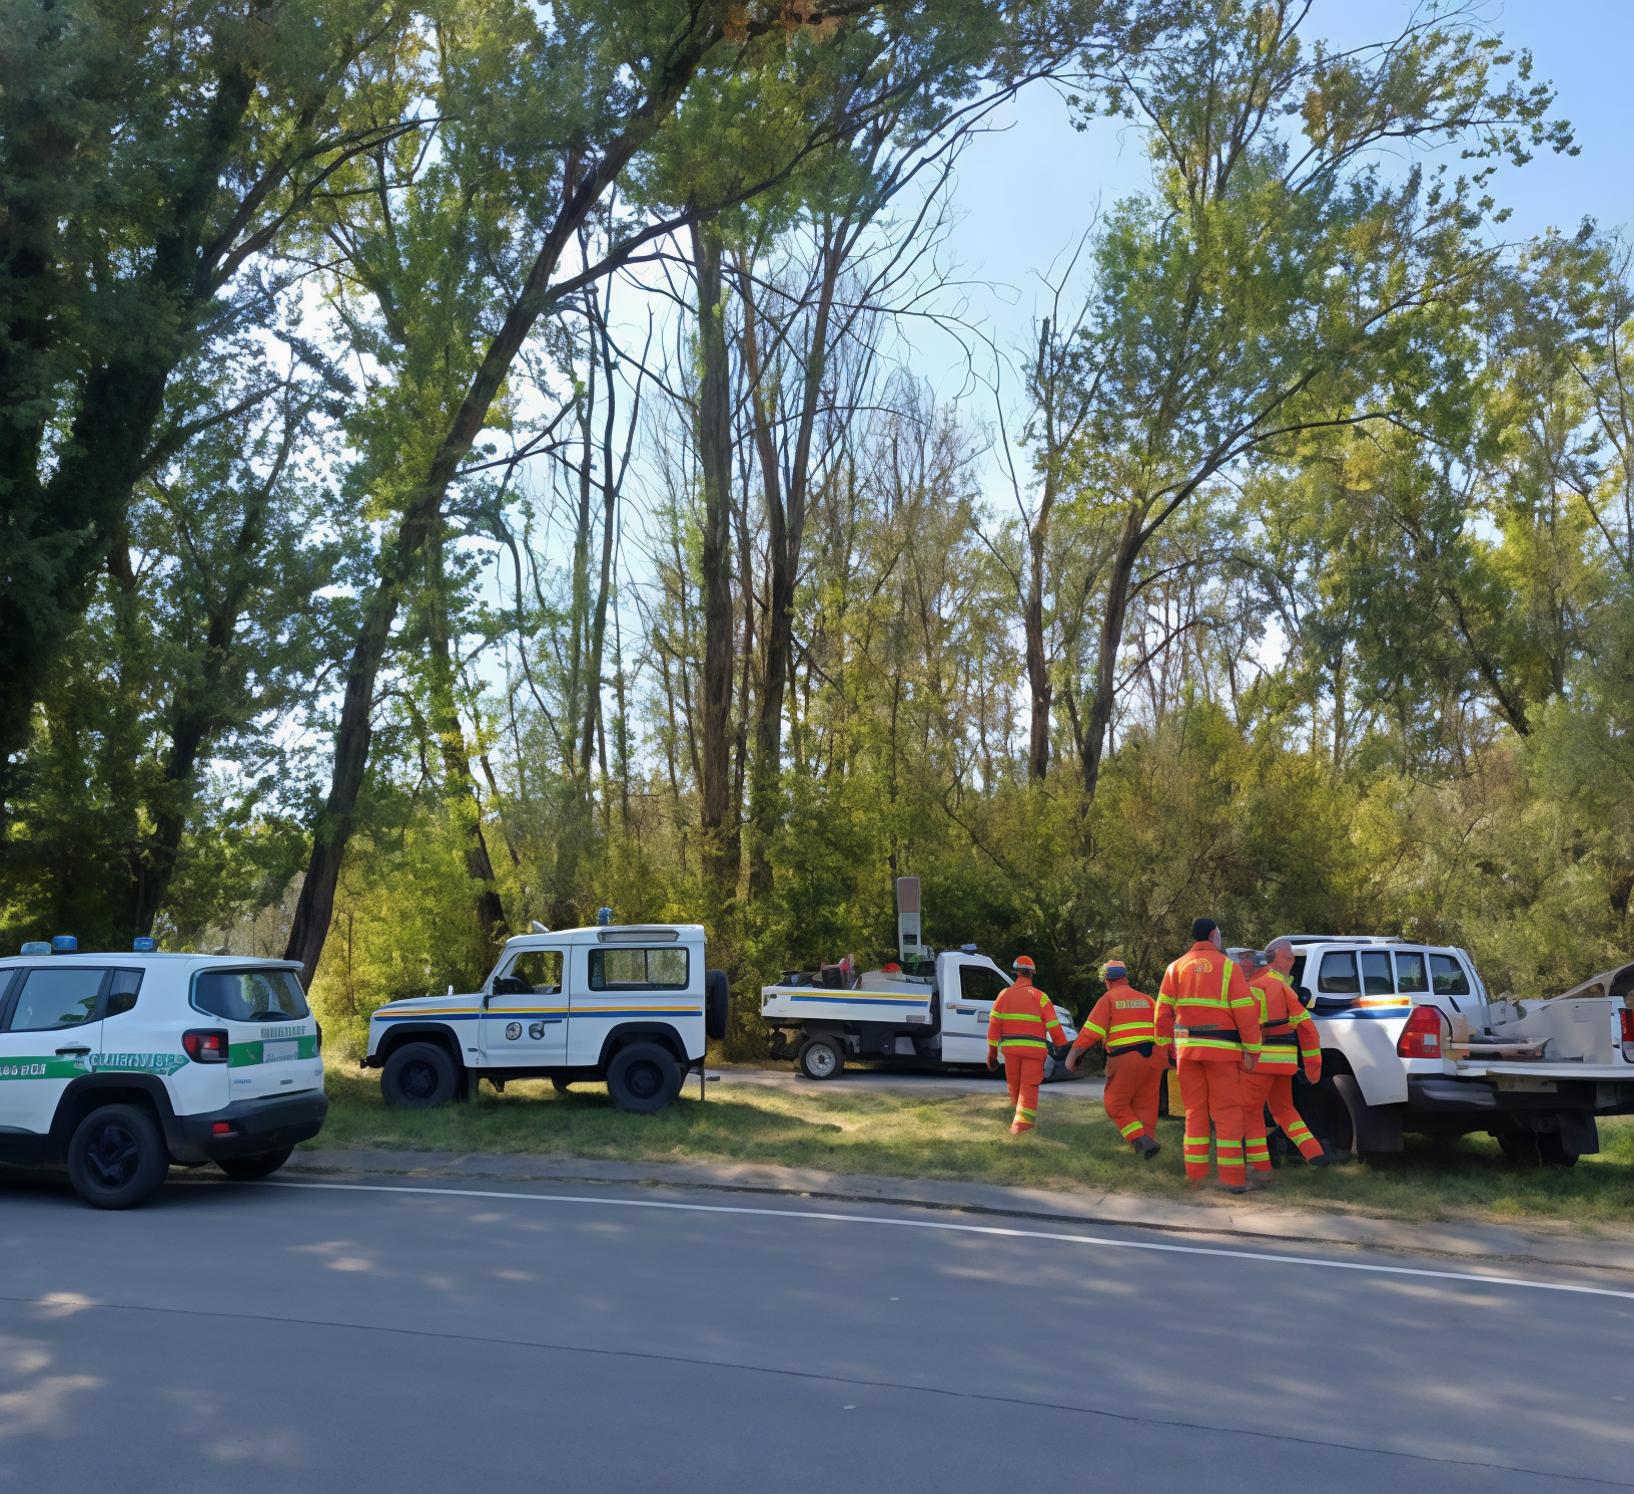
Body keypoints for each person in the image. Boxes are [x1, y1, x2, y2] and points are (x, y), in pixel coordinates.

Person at [1155, 918, 1262, 1193]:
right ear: (1214, 935)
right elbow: (1245, 1011)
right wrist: (1253, 1049)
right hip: (1222, 1052)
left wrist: (1165, 1047)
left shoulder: (1175, 967)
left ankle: (1196, 1177)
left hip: (1187, 1052)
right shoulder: (1228, 967)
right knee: (1227, 1113)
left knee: (1194, 1112)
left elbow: (1162, 1011)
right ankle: (1232, 1179)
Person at [1243, 938, 1329, 1171]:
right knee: (1284, 1110)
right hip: (1284, 1062)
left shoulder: (1255, 986)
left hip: (1259, 1061)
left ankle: (1260, 1166)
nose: (1291, 963)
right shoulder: (1283, 988)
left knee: (1251, 1112)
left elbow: (1247, 1027)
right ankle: (1314, 1153)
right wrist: (1313, 1068)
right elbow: (1307, 1029)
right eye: (1289, 958)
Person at [1066, 957, 1164, 1158]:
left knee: (1115, 1104)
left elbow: (1090, 1032)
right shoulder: (1147, 999)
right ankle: (1147, 1147)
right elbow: (1163, 1026)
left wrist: (1072, 1056)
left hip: (1125, 1058)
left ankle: (1141, 1140)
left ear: (1107, 981)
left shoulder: (1109, 999)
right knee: (1146, 1105)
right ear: (1126, 978)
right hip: (1153, 1058)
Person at [987, 955, 1067, 1136]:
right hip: (1034, 1052)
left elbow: (994, 1026)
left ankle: (1019, 1120)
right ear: (1032, 973)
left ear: (1016, 973)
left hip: (1011, 1051)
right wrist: (1062, 1046)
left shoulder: (1004, 995)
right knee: (1029, 1087)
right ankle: (1021, 1125)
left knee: (1014, 1085)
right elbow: (1054, 1026)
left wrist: (991, 1054)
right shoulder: (1041, 997)